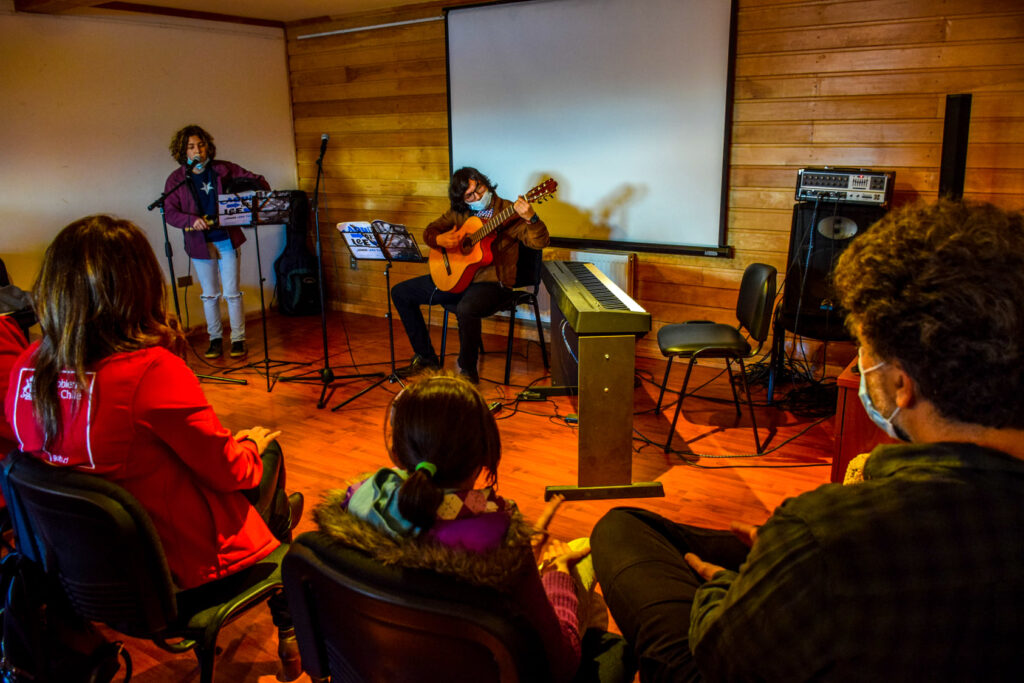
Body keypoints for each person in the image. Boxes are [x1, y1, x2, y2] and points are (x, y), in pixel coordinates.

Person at [590, 199, 1024, 682]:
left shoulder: (825, 531)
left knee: (619, 527)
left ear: (902, 384)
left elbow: (722, 654)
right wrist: (781, 553)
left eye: (864, 350)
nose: (860, 366)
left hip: (724, 654)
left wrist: (726, 587)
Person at [4, 215, 304, 590]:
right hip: (164, 561)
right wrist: (248, 449)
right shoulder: (150, 371)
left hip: (74, 562)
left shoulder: (26, 364)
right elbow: (228, 471)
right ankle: (284, 582)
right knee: (267, 453)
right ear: (139, 284)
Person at [315, 371, 595, 682]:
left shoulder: (357, 506)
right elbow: (561, 664)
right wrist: (556, 573)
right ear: (485, 456)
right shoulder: (498, 548)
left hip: (382, 668)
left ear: (396, 452)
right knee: (583, 562)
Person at [391, 167, 550, 383]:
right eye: (469, 195)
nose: (477, 196)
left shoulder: (509, 212)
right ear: (462, 199)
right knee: (401, 293)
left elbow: (540, 242)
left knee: (466, 308)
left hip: (493, 284)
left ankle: (467, 372)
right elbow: (430, 231)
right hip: (457, 279)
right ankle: (426, 358)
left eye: (479, 189)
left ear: (485, 183)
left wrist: (532, 219)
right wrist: (438, 240)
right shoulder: (459, 212)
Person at [164, 124, 269, 359]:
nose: (197, 150)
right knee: (210, 294)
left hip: (226, 238)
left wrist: (251, 198)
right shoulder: (176, 179)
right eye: (191, 147)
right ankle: (215, 339)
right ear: (183, 151)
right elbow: (170, 211)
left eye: (201, 145)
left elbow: (257, 181)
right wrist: (191, 220)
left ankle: (238, 339)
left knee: (232, 292)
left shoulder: (223, 169)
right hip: (200, 243)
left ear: (207, 146)